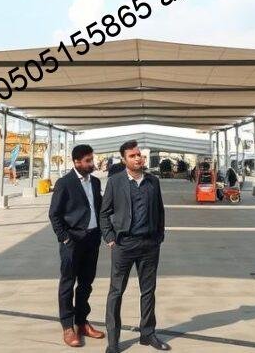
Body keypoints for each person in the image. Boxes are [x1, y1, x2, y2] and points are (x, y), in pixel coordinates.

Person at [99, 141, 169, 352]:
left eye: (140, 155)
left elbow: (160, 210)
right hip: (124, 245)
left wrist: (159, 236)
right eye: (133, 156)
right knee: (116, 292)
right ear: (124, 160)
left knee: (148, 291)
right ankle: (113, 341)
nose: (138, 158)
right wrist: (110, 237)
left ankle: (147, 334)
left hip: (149, 244)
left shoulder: (152, 182)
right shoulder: (115, 182)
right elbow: (104, 213)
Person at [48, 144, 105, 348]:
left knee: (86, 284)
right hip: (72, 241)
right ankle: (67, 327)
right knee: (67, 284)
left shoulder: (96, 181)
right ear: (77, 162)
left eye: (92, 159)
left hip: (92, 240)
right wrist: (64, 238)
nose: (92, 163)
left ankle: (81, 322)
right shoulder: (65, 183)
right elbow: (54, 214)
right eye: (88, 160)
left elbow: (98, 207)